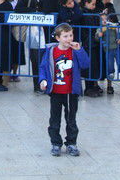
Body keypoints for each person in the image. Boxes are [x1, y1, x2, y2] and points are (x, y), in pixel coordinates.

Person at [38, 23, 90, 158]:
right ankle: (56, 143)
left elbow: (85, 64)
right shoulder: (51, 51)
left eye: (71, 35)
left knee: (71, 120)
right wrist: (43, 80)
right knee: (54, 119)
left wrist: (80, 50)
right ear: (58, 38)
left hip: (70, 92)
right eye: (65, 36)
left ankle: (71, 143)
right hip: (56, 91)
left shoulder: (75, 51)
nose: (69, 39)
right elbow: (43, 67)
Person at [80, 0, 103, 97]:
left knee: (94, 66)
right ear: (86, 3)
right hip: (87, 42)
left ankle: (93, 86)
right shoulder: (84, 13)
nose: (94, 6)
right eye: (92, 4)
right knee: (89, 66)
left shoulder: (93, 13)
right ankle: (88, 88)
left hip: (93, 42)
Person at [97, 11, 120, 94]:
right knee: (109, 64)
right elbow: (96, 37)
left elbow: (118, 31)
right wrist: (99, 35)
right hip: (107, 49)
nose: (104, 21)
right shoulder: (100, 28)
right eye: (102, 19)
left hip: (115, 47)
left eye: (106, 19)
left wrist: (119, 37)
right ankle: (110, 75)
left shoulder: (112, 26)